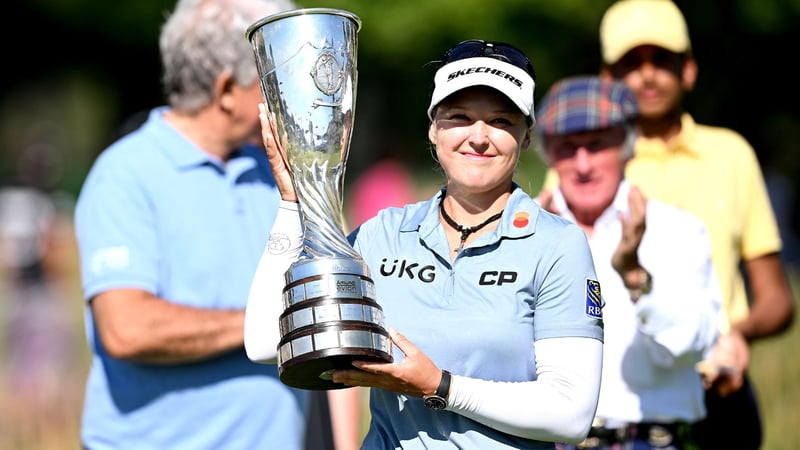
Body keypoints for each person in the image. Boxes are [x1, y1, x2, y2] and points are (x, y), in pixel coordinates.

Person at [245, 39, 605, 449]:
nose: (479, 137)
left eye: (502, 121)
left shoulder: (556, 245)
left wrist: (440, 387)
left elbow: (571, 414)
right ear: (434, 128)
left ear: (525, 138)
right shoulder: (384, 234)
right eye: (460, 117)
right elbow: (264, 341)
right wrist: (294, 202)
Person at [73, 0, 361, 448]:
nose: (283, 93)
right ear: (226, 90)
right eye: (271, 79)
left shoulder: (278, 171)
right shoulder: (125, 172)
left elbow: (328, 319)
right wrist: (273, 323)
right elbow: (126, 329)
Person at [538, 1, 796, 448]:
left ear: (689, 70)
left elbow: (775, 294)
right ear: (607, 78)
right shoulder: (588, 157)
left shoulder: (729, 155)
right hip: (603, 395)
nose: (648, 75)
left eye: (663, 60)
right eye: (630, 64)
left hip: (712, 378)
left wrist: (736, 334)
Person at [534, 75, 721, 449]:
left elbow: (692, 344)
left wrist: (634, 274)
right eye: (567, 148)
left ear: (628, 145)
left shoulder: (676, 229)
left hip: (652, 440)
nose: (583, 164)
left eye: (597, 145)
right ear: (548, 153)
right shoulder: (523, 231)